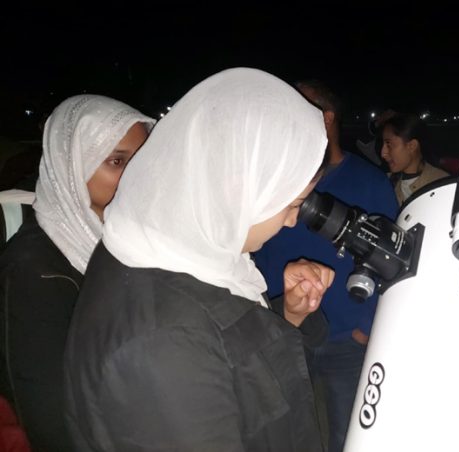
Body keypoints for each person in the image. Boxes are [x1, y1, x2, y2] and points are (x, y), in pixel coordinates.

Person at [64, 68, 335, 451]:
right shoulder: (163, 345)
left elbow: (234, 362)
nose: (292, 221)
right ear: (235, 188)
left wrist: (288, 316)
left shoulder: (187, 252)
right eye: (289, 204)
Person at [0, 95, 154, 451]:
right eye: (117, 160)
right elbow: (51, 419)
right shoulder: (34, 273)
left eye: (142, 159)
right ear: (71, 164)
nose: (136, 175)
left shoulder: (122, 237)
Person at [254, 79, 398, 452]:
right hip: (284, 326)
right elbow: (258, 251)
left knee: (345, 436)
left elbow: (392, 259)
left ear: (327, 118)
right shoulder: (278, 182)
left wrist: (367, 327)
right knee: (279, 430)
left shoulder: (370, 180)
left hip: (345, 339)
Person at [380, 112, 450, 205]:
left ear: (412, 146)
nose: (383, 153)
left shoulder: (442, 185)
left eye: (389, 144)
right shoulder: (384, 183)